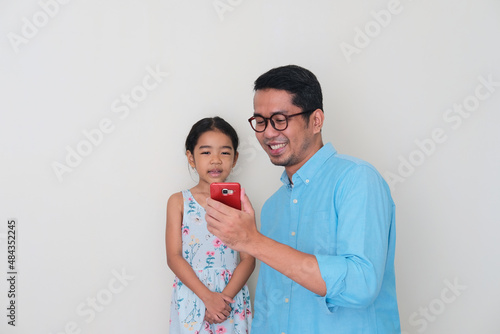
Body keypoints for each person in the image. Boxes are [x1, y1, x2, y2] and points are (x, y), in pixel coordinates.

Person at [205, 65, 401, 333]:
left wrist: (253, 241)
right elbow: (270, 302)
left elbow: (361, 285)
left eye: (280, 119)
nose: (268, 132)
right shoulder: (273, 206)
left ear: (316, 121)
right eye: (260, 121)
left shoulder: (357, 179)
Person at [166, 116, 254, 333]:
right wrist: (207, 298)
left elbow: (249, 259)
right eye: (206, 152)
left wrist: (224, 300)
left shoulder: (241, 202)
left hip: (231, 297)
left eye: (224, 152)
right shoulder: (178, 201)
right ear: (191, 157)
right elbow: (173, 257)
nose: (216, 160)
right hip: (193, 294)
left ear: (235, 158)